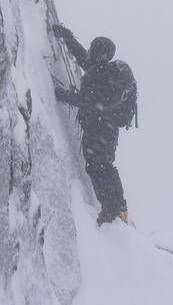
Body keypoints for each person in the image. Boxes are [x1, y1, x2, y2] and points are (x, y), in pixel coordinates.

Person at [52, 24, 132, 225]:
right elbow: (82, 58)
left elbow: (85, 101)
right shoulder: (103, 72)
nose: (87, 51)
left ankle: (110, 209)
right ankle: (119, 207)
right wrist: (68, 37)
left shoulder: (98, 74)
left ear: (97, 52)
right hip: (108, 130)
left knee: (97, 168)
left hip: (98, 130)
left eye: (91, 49)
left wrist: (60, 94)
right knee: (105, 166)